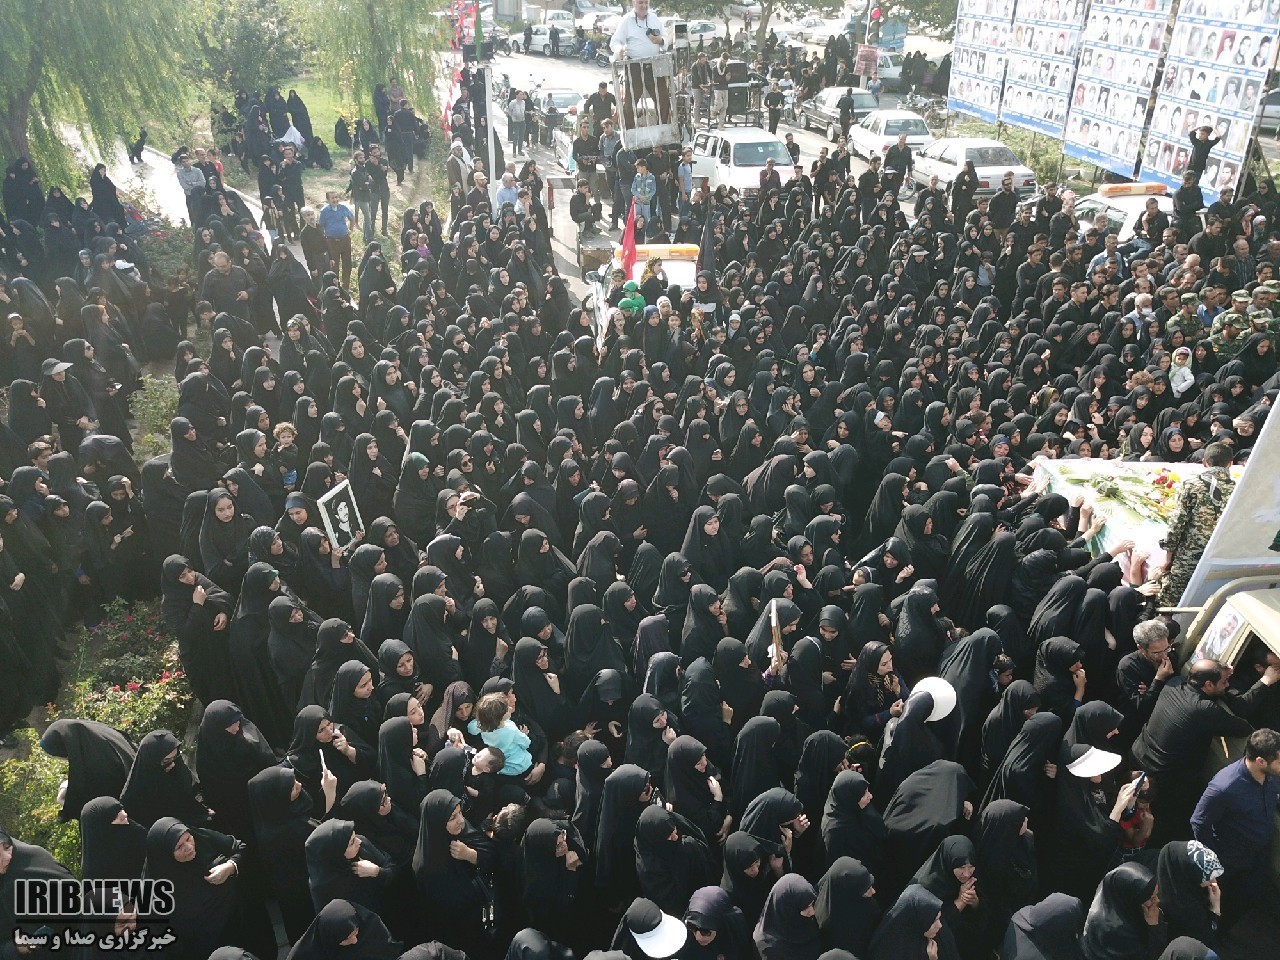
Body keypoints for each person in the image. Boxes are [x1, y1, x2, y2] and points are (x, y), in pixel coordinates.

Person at [1190, 727, 1280, 925]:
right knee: (1220, 903)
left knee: (1249, 899)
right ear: (1261, 761)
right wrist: (1215, 860)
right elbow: (1199, 822)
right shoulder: (1225, 787)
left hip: (1258, 856)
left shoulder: (1271, 776)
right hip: (1231, 860)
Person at [1158, 442, 1234, 605]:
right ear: (1230, 463)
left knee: (1170, 604)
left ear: (1204, 463)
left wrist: (1168, 556)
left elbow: (1177, 523)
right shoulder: (1237, 489)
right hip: (1221, 559)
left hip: (1189, 557)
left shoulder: (1193, 485)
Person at [318, 190, 357, 287]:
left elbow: (352, 218)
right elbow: (320, 226)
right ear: (328, 200)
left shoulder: (343, 208)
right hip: (332, 242)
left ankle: (345, 286)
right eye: (332, 198)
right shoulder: (324, 211)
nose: (335, 200)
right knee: (334, 265)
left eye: (336, 197)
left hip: (345, 240)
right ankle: (336, 287)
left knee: (347, 264)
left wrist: (350, 230)